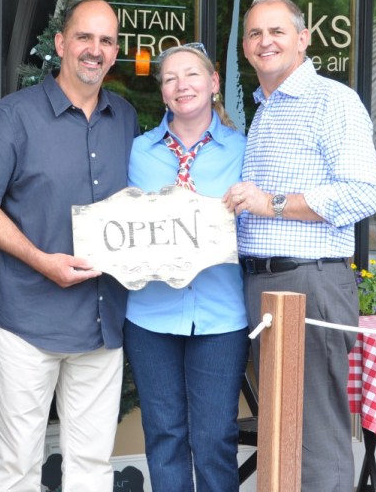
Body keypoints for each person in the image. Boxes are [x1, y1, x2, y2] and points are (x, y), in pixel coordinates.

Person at [0, 0, 140, 492]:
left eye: (106, 41)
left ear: (115, 51)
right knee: (18, 467)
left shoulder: (124, 117)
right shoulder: (14, 116)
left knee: (92, 467)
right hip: (28, 321)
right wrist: (42, 261)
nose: (94, 50)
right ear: (61, 44)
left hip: (102, 322)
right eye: (84, 37)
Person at [223, 0, 376, 491]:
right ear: (245, 48)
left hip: (309, 280)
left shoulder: (332, 100)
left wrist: (270, 202)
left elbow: (362, 194)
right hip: (262, 284)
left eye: (276, 31)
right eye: (254, 34)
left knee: (314, 433)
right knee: (280, 430)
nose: (264, 42)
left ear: (302, 39)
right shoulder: (262, 107)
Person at [125, 43, 250, 492]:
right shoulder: (138, 152)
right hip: (150, 315)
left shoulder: (245, 150)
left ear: (214, 83)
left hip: (220, 314)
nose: (182, 86)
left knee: (215, 437)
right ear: (162, 93)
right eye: (171, 79)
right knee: (164, 436)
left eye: (192, 75)